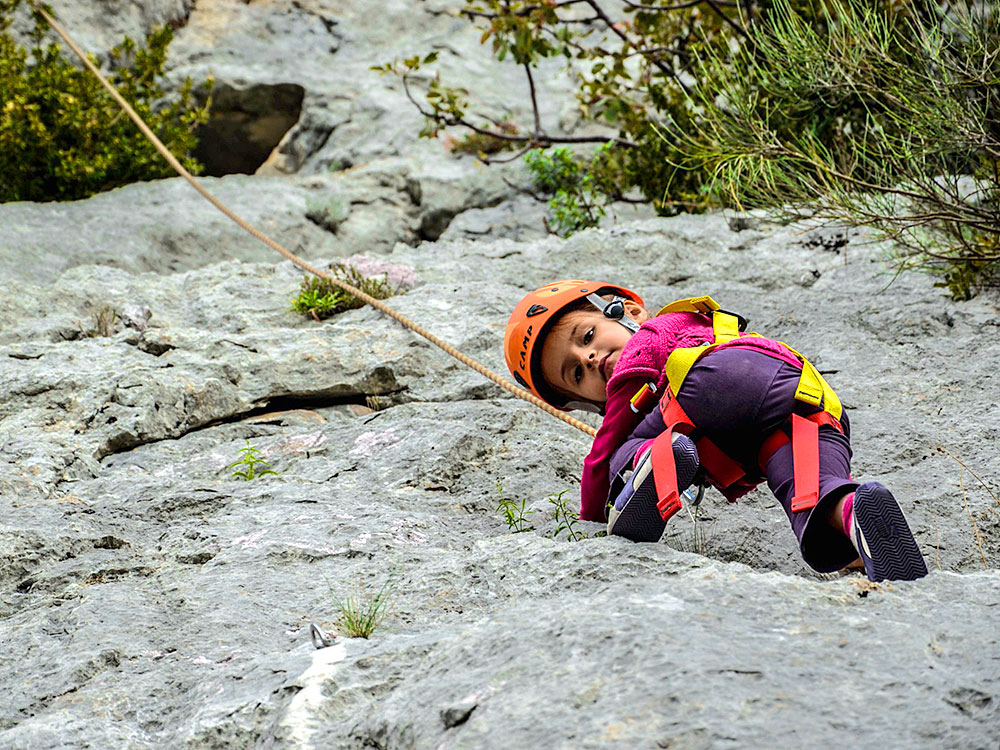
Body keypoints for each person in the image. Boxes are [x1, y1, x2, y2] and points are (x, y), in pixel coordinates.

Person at [504, 279, 928, 582]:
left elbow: (601, 454)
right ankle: (854, 519)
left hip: (709, 384)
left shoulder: (643, 347)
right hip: (801, 400)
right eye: (576, 372)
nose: (591, 356)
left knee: (625, 448)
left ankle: (654, 465)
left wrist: (591, 522)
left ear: (628, 312)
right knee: (812, 491)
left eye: (588, 335)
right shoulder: (692, 326)